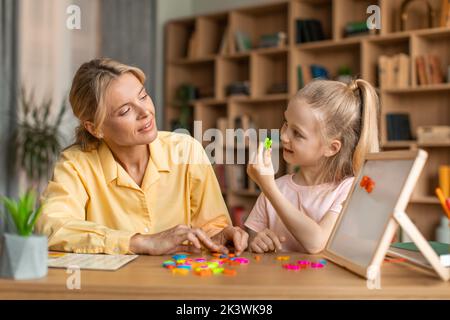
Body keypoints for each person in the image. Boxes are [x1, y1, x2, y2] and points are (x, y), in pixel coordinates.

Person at [36, 58, 248, 255]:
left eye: (143, 96)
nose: (145, 111)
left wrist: (220, 235)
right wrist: (140, 242)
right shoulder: (76, 164)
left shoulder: (187, 151)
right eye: (125, 110)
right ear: (95, 128)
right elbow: (52, 226)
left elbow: (212, 226)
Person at [245, 79, 379, 253]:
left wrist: (268, 187)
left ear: (331, 148)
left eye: (297, 133)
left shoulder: (347, 189)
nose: (284, 136)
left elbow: (316, 242)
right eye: (286, 123)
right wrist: (256, 241)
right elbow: (251, 240)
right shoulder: (276, 187)